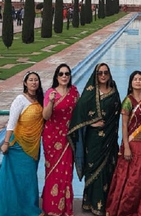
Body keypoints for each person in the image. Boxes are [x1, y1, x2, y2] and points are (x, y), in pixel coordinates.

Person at [68, 63, 122, 215]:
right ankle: (90, 203)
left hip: (110, 138)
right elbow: (79, 112)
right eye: (100, 73)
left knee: (108, 169)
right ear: (96, 75)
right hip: (94, 140)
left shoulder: (113, 89)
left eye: (105, 72)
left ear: (109, 74)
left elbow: (117, 111)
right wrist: (92, 123)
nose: (103, 75)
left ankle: (105, 203)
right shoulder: (91, 92)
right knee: (93, 169)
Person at [0, 71, 45, 216]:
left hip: (34, 146)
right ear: (25, 83)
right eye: (31, 80)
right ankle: (12, 209)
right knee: (14, 179)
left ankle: (28, 206)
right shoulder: (20, 100)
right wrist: (6, 142)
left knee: (29, 179)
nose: (34, 82)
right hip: (19, 145)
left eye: (36, 80)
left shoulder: (40, 99)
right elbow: (11, 122)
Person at [106, 71, 141, 216]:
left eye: (140, 79)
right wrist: (126, 146)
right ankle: (126, 208)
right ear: (131, 83)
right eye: (135, 79)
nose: (138, 81)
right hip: (132, 144)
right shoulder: (128, 101)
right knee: (131, 178)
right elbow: (124, 126)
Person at [42, 64, 79, 216]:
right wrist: (50, 102)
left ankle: (65, 207)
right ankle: (51, 208)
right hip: (52, 138)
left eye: (67, 74)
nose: (64, 76)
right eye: (61, 74)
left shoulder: (74, 92)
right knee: (52, 172)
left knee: (66, 173)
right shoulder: (51, 93)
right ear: (56, 77)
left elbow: (81, 113)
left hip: (68, 138)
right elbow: (45, 116)